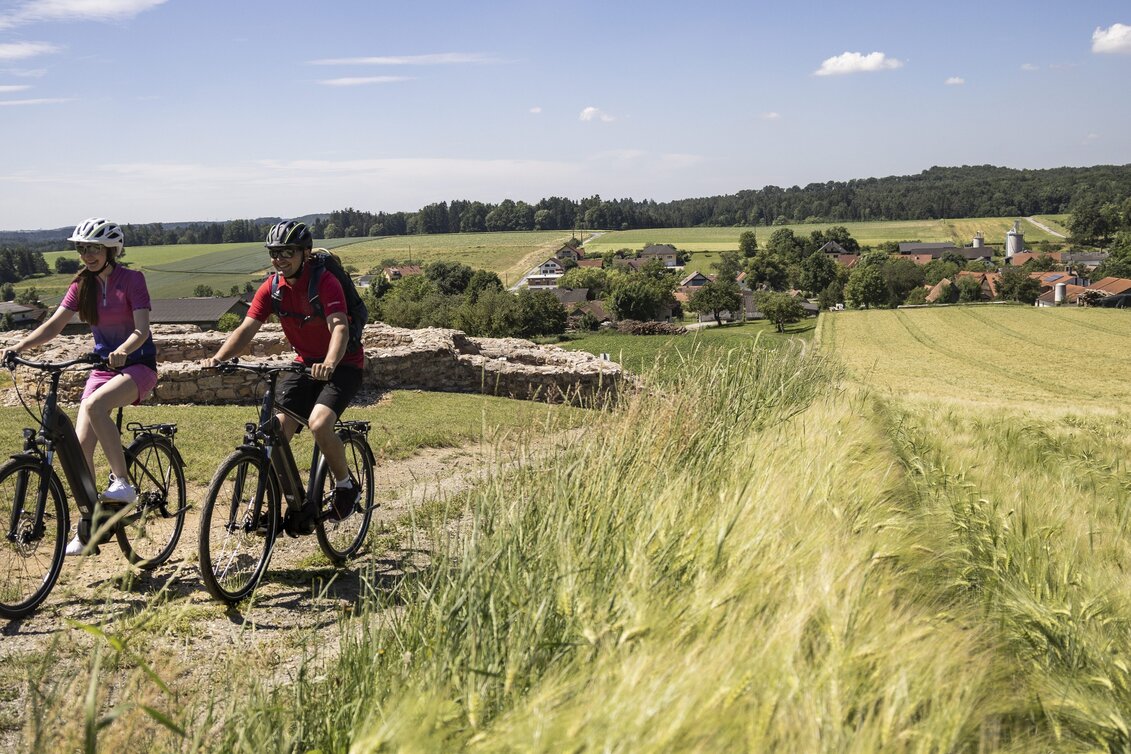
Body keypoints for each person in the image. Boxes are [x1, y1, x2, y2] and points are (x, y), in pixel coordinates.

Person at [4, 218, 158, 555]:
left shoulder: (132, 280)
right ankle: (91, 524)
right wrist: (19, 347)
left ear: (110, 250)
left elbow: (142, 330)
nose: (87, 254)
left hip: (137, 366)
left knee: (92, 406)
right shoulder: (81, 285)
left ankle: (122, 483)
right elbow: (53, 326)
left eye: (94, 248)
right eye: (82, 247)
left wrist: (123, 351)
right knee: (77, 447)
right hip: (103, 370)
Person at [201, 220, 364, 535]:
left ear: (305, 252)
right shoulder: (271, 287)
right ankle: (286, 503)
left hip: (342, 364)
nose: (280, 259)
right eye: (275, 253)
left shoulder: (325, 282)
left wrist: (330, 362)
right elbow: (247, 327)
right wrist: (220, 357)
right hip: (303, 365)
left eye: (287, 252)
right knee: (275, 431)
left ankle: (345, 486)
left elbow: (340, 328)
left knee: (318, 423)